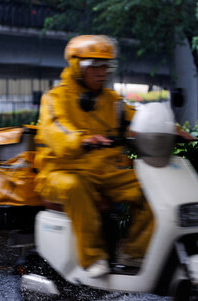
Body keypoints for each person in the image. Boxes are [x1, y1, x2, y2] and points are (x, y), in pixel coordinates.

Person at [34, 35, 154, 278]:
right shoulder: (55, 98)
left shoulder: (111, 101)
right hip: (58, 173)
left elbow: (139, 119)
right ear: (77, 67)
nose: (102, 73)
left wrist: (168, 129)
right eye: (94, 66)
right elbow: (56, 128)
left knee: (151, 190)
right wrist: (81, 139)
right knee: (77, 187)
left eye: (106, 66)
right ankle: (93, 258)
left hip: (105, 172)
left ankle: (134, 254)